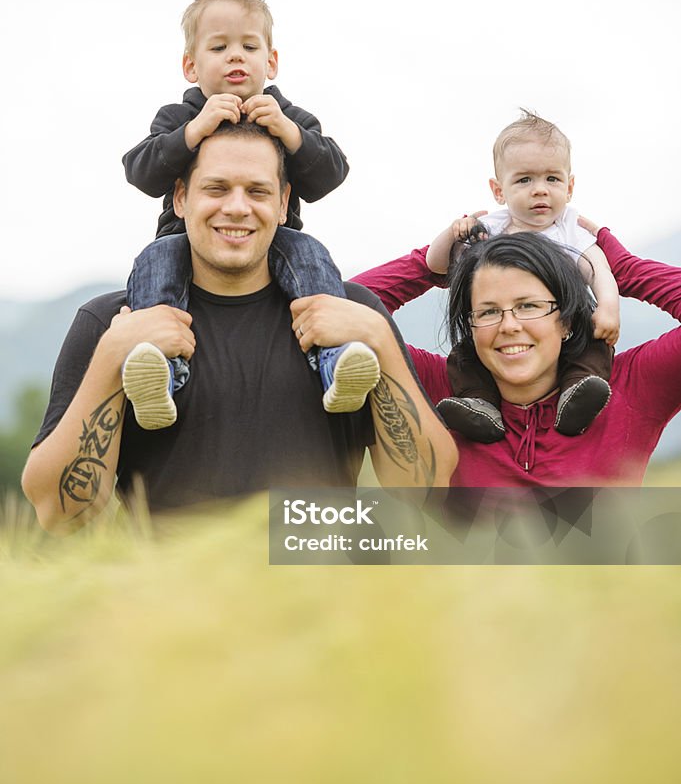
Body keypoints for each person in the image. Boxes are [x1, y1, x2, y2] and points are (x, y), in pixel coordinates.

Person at [22, 122, 457, 533]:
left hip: (323, 601)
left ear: (283, 203)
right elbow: (59, 516)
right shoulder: (113, 323)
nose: (236, 206)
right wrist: (111, 358)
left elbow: (424, 490)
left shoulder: (352, 315)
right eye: (216, 188)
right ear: (180, 198)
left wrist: (380, 339)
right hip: (162, 604)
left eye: (257, 191)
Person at [121, 0, 378, 429]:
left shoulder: (289, 115)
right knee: (153, 262)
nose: (235, 56)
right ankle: (158, 371)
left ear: (271, 62)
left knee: (313, 257)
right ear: (191, 66)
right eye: (219, 47)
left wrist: (289, 131)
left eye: (248, 46)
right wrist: (192, 131)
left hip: (275, 238)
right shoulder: (180, 114)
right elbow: (138, 170)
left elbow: (330, 173)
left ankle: (337, 362)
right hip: (186, 241)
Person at [353, 221, 681, 487]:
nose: (509, 325)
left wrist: (622, 271)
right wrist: (430, 266)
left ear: (566, 319)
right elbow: (339, 309)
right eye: (488, 312)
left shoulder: (630, 386)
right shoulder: (435, 389)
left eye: (528, 306)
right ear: (471, 326)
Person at [425, 112, 619, 442]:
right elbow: (435, 265)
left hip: (573, 322)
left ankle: (577, 396)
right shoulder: (494, 226)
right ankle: (479, 405)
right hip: (504, 334)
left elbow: (599, 270)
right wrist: (452, 233)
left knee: (595, 349)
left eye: (552, 180)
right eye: (524, 180)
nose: (539, 191)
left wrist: (608, 308)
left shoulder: (571, 229)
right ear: (498, 190)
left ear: (570, 186)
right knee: (463, 356)